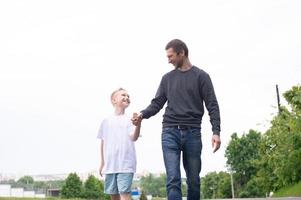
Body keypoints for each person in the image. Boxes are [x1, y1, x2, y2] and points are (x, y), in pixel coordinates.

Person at [132, 39, 221, 200]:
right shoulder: (167, 78)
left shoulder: (202, 77)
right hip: (170, 132)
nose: (168, 60)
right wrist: (142, 114)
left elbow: (212, 105)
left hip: (193, 133)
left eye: (171, 56)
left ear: (182, 53)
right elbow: (157, 103)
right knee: (173, 179)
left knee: (193, 180)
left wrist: (216, 131)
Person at [97, 88, 141, 200]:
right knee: (114, 195)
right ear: (114, 100)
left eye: (128, 95)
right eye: (123, 95)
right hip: (110, 166)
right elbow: (103, 141)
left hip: (126, 165)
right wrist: (102, 163)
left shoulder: (130, 120)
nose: (127, 97)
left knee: (124, 193)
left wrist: (138, 124)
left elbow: (134, 137)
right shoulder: (106, 121)